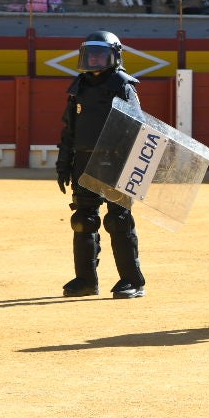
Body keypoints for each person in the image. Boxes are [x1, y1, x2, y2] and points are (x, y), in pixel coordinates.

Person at [55, 31, 145, 299]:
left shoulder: (123, 86)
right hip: (83, 162)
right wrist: (63, 165)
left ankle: (132, 281)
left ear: (115, 56)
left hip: (115, 161)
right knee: (83, 220)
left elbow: (137, 128)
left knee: (118, 220)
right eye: (90, 54)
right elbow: (69, 131)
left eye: (100, 54)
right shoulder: (78, 87)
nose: (94, 60)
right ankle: (85, 280)